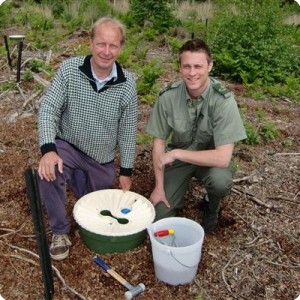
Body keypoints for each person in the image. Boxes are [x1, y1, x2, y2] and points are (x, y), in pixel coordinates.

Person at [37, 17, 137, 260]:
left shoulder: (127, 84)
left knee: (98, 207)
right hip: (68, 146)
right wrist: (48, 149)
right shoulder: (70, 70)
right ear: (90, 42)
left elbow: (128, 130)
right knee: (49, 172)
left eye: (113, 45)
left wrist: (126, 171)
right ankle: (60, 231)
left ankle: (80, 182)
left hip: (101, 158)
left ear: (120, 47)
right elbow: (49, 108)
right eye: (101, 43)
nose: (106, 51)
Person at [145, 39, 246, 233]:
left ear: (210, 66)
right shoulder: (168, 97)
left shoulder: (223, 101)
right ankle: (176, 197)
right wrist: (159, 188)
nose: (192, 73)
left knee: (220, 182)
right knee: (157, 216)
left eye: (198, 66)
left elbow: (223, 158)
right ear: (180, 68)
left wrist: (176, 154)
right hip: (180, 162)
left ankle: (212, 205)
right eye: (187, 66)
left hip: (210, 160)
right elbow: (158, 144)